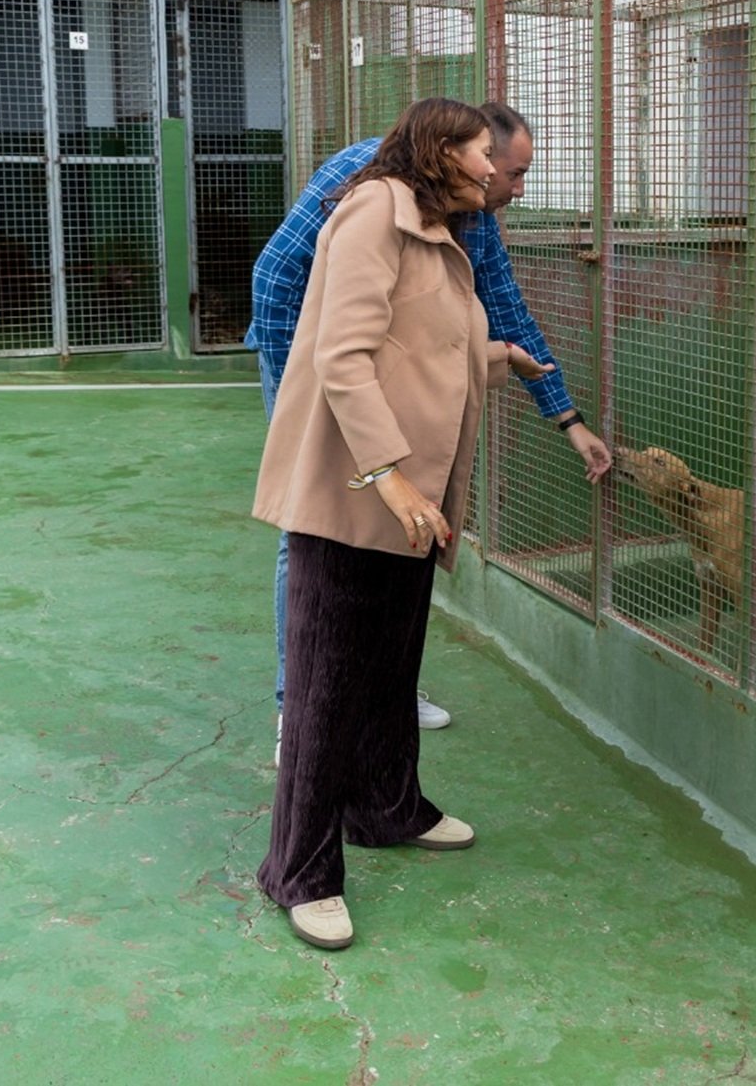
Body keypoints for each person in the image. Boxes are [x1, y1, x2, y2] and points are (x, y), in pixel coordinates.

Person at [252, 97, 551, 950]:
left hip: (414, 497)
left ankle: (386, 807)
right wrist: (388, 478)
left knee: (390, 665)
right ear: (439, 152)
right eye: (482, 153)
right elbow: (342, 356)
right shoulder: (372, 213)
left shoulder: (444, 230)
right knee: (324, 687)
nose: (495, 171)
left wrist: (497, 359)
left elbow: (418, 349)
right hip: (358, 493)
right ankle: (300, 870)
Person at [247, 102, 611, 734]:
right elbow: (275, 278)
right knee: (313, 527)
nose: (516, 188)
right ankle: (295, 705)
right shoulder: (365, 183)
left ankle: (385, 686)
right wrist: (304, 405)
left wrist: (568, 419)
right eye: (511, 170)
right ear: (460, 153)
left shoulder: (474, 212)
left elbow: (507, 315)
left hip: (392, 385)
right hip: (311, 365)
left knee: (403, 529)